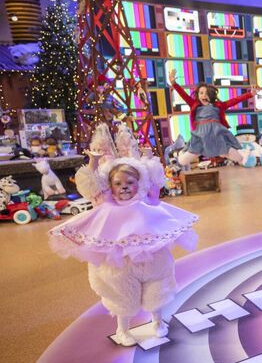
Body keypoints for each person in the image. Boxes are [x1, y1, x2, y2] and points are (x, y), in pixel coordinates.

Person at [49, 127, 198, 346]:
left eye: (129, 183)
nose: (124, 188)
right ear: (110, 186)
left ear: (139, 183)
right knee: (121, 293)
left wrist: (148, 159)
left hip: (151, 256)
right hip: (120, 261)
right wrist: (93, 162)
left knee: (157, 288)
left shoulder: (147, 203)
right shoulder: (105, 204)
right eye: (118, 184)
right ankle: (122, 329)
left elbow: (156, 185)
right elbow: (91, 187)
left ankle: (158, 321)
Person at [168, 68, 257, 167]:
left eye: (206, 93)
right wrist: (174, 83)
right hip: (200, 139)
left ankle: (244, 157)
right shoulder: (194, 104)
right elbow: (183, 94)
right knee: (183, 161)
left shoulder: (218, 105)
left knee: (236, 156)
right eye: (201, 93)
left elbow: (234, 100)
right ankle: (179, 156)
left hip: (217, 138)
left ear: (211, 95)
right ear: (197, 95)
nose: (204, 96)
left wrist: (250, 94)